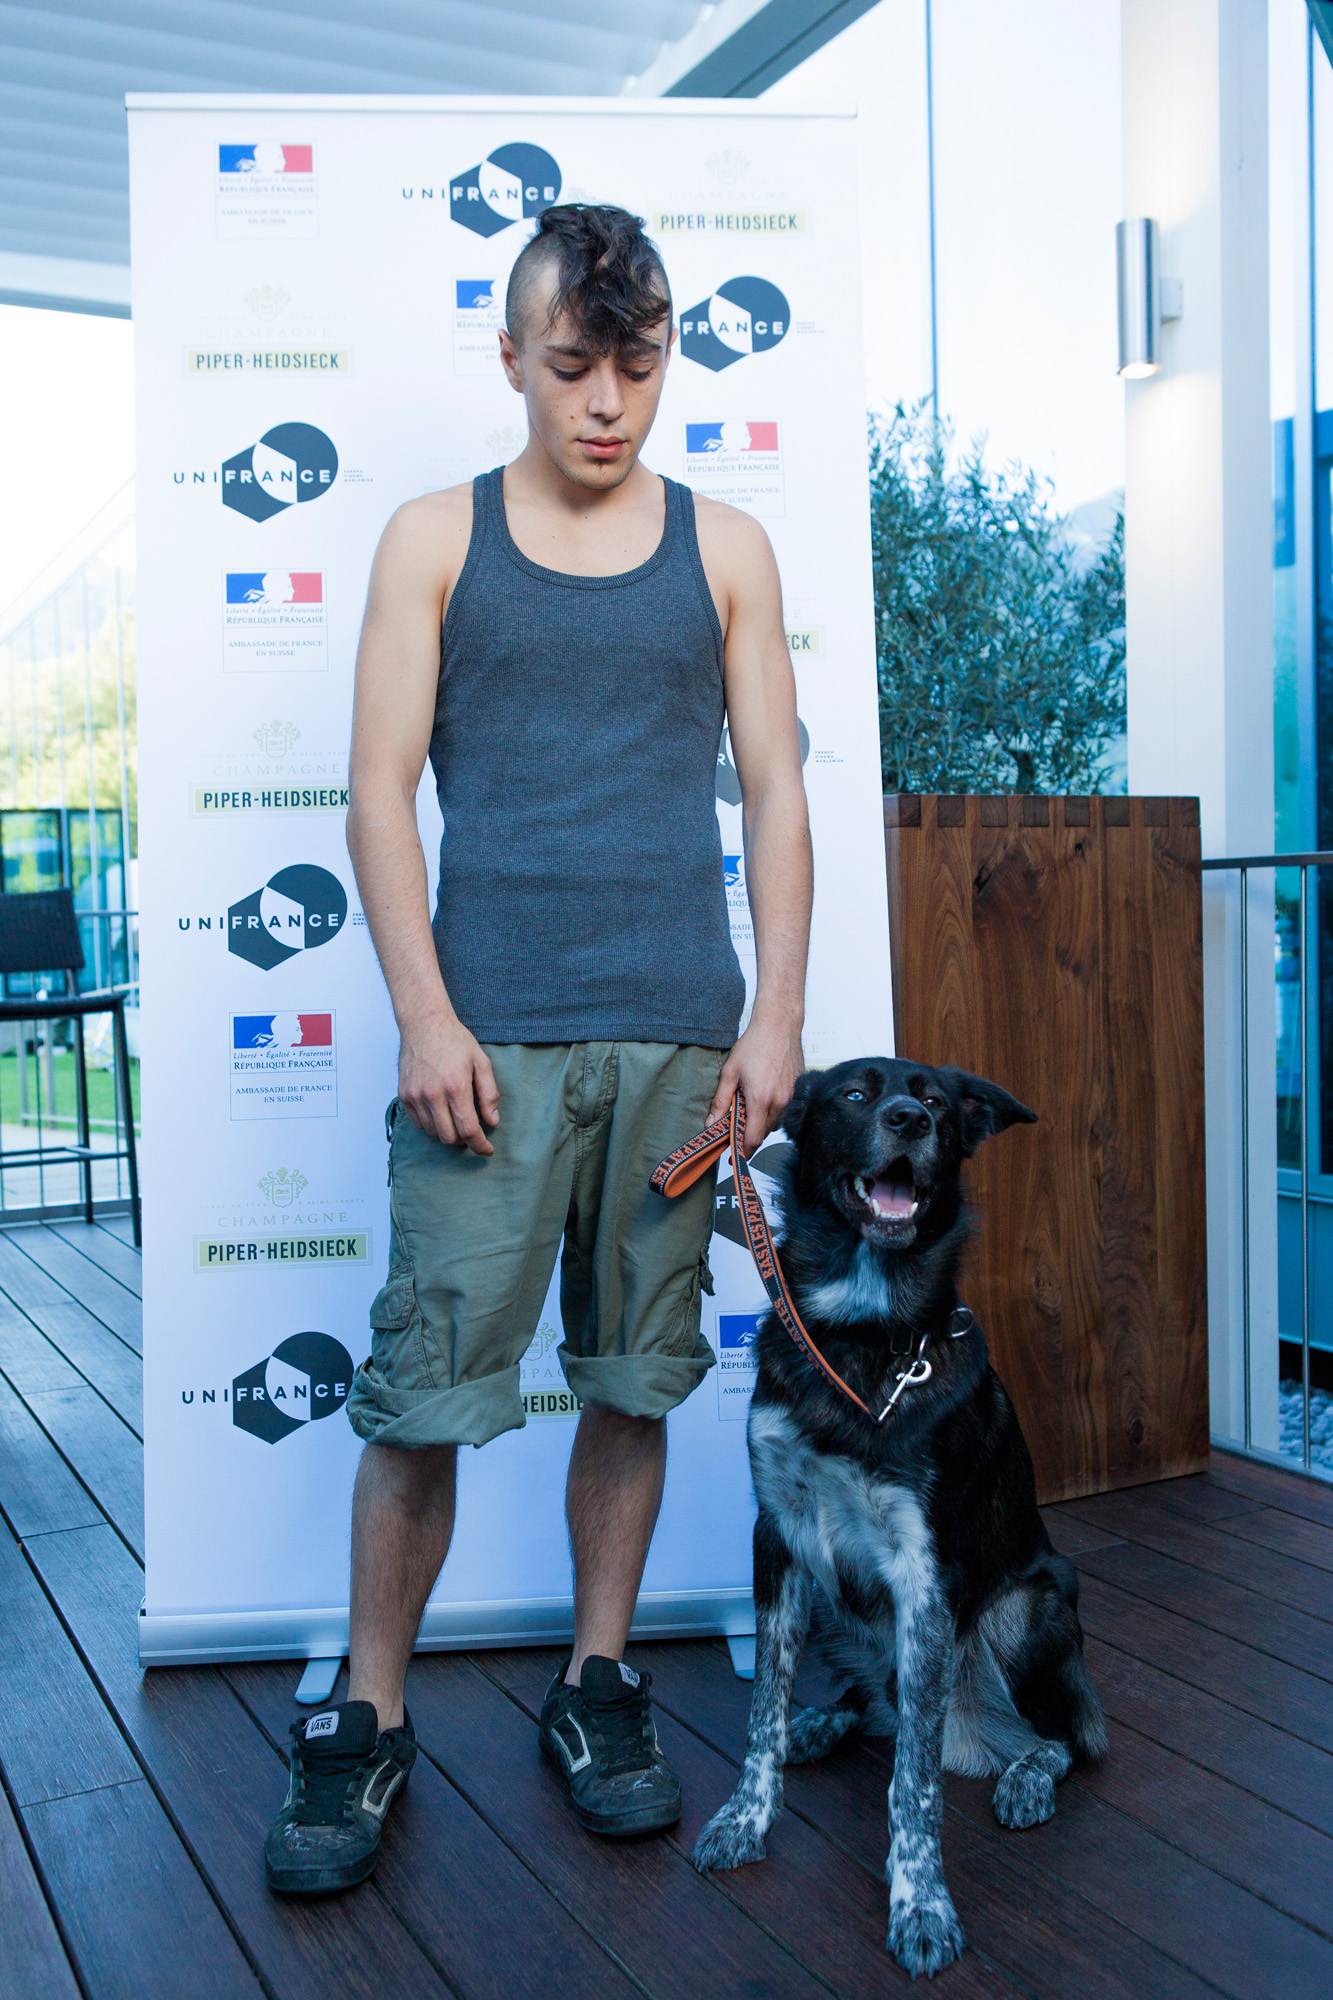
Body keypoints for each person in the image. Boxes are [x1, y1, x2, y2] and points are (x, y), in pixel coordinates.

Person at [264, 203, 812, 1896]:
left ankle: (597, 1679)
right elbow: (375, 792)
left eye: (636, 369)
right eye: (570, 366)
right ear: (509, 358)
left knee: (636, 1380)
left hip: (675, 1038)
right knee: (423, 1391)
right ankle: (367, 1711)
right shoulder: (434, 536)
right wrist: (424, 1011)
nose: (605, 405)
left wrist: (776, 1013)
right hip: (484, 1043)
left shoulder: (724, 549)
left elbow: (778, 787)